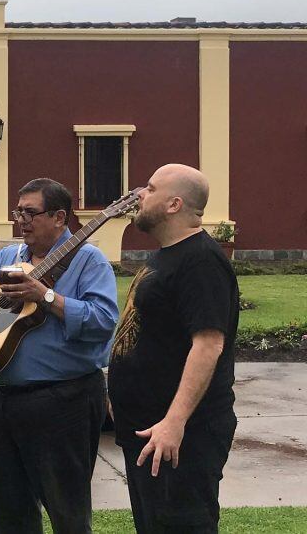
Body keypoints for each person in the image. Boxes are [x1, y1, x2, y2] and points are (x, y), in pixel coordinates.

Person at [0, 178, 119, 534]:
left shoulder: (88, 260)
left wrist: (45, 296)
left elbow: (103, 321)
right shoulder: (10, 257)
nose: (22, 220)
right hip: (1, 403)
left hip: (63, 402)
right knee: (9, 510)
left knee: (67, 511)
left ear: (60, 217)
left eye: (30, 213)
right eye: (19, 212)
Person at [108, 164, 239, 533]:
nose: (139, 194)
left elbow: (209, 344)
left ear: (174, 204)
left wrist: (174, 421)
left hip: (182, 437)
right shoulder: (169, 255)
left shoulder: (201, 260)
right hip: (149, 432)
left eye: (150, 189)